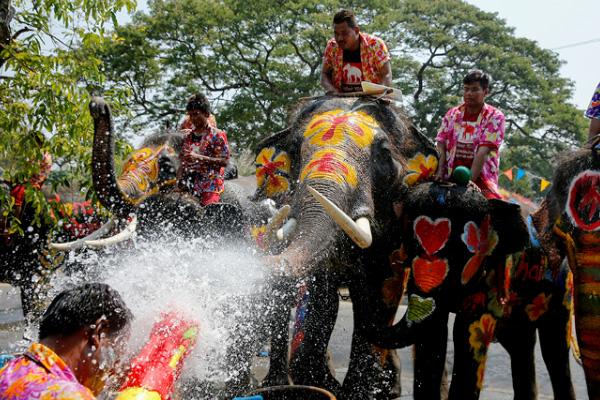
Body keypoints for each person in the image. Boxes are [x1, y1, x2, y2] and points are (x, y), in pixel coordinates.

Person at [0, 283, 133, 399]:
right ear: (98, 332)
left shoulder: (7, 370)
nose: (114, 372)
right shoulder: (70, 395)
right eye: (114, 354)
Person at [435, 70, 505, 199]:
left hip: (480, 180)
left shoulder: (495, 117)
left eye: (474, 89)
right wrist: (439, 172)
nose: (469, 93)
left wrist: (470, 181)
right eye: (466, 89)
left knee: (496, 210)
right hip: (448, 175)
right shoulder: (452, 114)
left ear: (485, 92)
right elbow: (440, 144)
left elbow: (483, 151)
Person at [321, 9, 392, 94]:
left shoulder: (375, 44)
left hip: (372, 100)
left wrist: (378, 95)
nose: (340, 38)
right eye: (336, 34)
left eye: (344, 33)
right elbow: (324, 74)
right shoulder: (332, 46)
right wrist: (331, 90)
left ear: (356, 31)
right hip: (340, 100)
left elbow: (387, 74)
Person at [177, 93, 230, 206]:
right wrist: (179, 181)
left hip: (210, 183)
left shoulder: (217, 135)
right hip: (189, 182)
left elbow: (224, 161)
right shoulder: (187, 137)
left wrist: (199, 158)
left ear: (206, 114)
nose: (193, 119)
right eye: (191, 115)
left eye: (196, 114)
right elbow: (182, 161)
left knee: (208, 212)